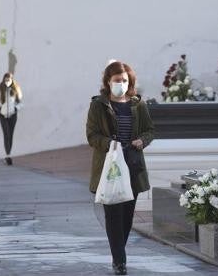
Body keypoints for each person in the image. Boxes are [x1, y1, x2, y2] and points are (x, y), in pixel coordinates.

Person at [86, 61, 154, 275]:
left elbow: (150, 130)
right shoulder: (98, 105)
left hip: (132, 166)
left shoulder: (138, 105)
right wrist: (109, 144)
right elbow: (92, 135)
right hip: (110, 167)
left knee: (127, 216)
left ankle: (118, 253)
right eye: (117, 80)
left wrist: (142, 141)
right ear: (108, 81)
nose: (121, 84)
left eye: (124, 80)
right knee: (113, 214)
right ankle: (120, 261)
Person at [0, 72, 22, 165]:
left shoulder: (16, 89)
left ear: (12, 80)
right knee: (6, 134)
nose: (7, 81)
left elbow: (20, 103)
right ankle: (8, 155)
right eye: (6, 80)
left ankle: (8, 154)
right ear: (3, 80)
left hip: (13, 115)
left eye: (9, 80)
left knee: (10, 135)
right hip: (3, 116)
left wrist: (15, 109)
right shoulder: (0, 89)